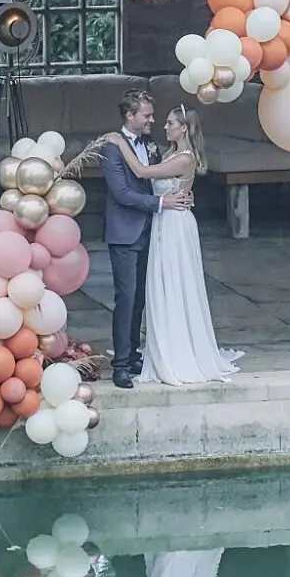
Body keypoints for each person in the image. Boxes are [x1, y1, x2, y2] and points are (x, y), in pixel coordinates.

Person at [96, 106, 238, 386]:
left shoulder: (184, 158)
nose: (163, 125)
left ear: (183, 128)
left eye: (170, 123)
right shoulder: (169, 152)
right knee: (158, 286)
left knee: (174, 284)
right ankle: (154, 348)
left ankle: (177, 352)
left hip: (173, 225)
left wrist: (118, 142)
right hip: (162, 222)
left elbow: (141, 171)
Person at [97, 88, 186, 388]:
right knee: (126, 298)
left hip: (153, 230)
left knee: (141, 300)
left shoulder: (149, 144)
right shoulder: (110, 148)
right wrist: (161, 204)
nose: (152, 120)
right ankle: (121, 364)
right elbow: (121, 193)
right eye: (146, 115)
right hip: (124, 232)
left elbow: (154, 178)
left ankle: (133, 352)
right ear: (130, 116)